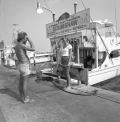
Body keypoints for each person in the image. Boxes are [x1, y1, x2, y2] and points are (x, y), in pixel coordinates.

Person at [15, 31, 35, 103]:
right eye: (26, 38)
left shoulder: (17, 45)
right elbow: (33, 48)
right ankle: (25, 98)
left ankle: (21, 96)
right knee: (25, 82)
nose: (26, 39)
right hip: (24, 65)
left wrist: (26, 40)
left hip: (21, 65)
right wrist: (30, 41)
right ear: (23, 38)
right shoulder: (21, 45)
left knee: (21, 82)